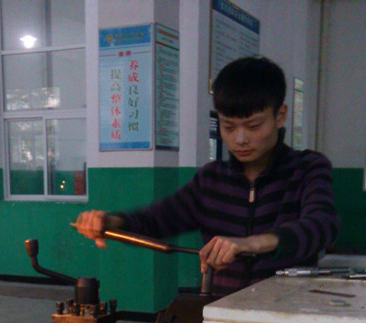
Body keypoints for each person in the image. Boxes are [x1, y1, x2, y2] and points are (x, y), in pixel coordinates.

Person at [74, 56, 339, 295]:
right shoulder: (211, 181)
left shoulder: (307, 168)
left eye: (253, 125)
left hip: (287, 313)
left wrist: (250, 244)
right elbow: (155, 220)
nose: (240, 139)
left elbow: (322, 226)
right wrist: (112, 221)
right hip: (222, 312)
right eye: (228, 126)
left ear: (280, 116)